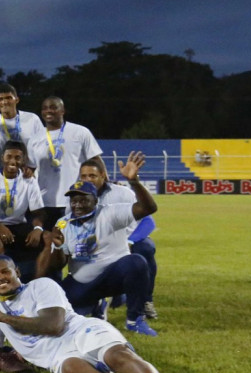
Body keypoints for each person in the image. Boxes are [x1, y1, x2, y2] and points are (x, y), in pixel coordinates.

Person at [0, 256, 188, 373]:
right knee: (73, 370)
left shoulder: (41, 286)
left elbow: (54, 326)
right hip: (56, 355)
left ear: (17, 271)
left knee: (116, 355)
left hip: (79, 332)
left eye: (5, 271)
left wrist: (4, 318)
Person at [38, 153, 160, 337]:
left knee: (137, 262)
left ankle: (135, 320)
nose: (78, 204)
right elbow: (58, 264)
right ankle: (96, 304)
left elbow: (149, 208)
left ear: (95, 200)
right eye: (74, 200)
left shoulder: (110, 213)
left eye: (84, 199)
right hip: (83, 282)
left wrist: (134, 182)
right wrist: (56, 247)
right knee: (63, 311)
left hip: (114, 276)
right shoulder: (63, 224)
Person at [76, 158, 159, 318]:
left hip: (128, 241)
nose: (88, 180)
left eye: (92, 176)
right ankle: (98, 297)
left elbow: (148, 221)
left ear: (103, 175)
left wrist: (129, 241)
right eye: (84, 176)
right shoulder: (75, 196)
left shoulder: (123, 193)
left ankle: (145, 301)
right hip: (96, 244)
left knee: (146, 248)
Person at [27, 97, 102, 229]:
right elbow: (29, 171)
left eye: (53, 107)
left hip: (76, 200)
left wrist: (106, 184)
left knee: (76, 238)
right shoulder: (34, 139)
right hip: (45, 202)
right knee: (50, 238)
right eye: (45, 108)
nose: (48, 111)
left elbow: (96, 161)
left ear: (62, 110)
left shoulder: (80, 132)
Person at [0, 141, 45, 273]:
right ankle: (4, 276)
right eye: (9, 156)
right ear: (2, 158)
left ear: (24, 160)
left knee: (47, 238)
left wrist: (38, 228)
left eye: (17, 157)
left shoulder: (29, 180)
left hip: (18, 225)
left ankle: (38, 280)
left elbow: (38, 212)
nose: (13, 161)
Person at [0, 84, 44, 170]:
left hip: (27, 172)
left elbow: (42, 147)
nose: (4, 102)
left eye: (8, 98)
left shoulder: (32, 119)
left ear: (17, 100)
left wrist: (32, 168)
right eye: (0, 99)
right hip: (1, 173)